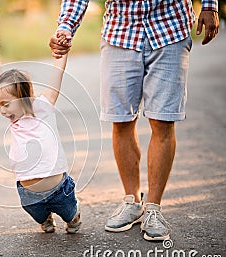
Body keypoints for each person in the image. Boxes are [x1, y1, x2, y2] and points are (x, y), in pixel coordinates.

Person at [49, 0, 219, 241]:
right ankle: (132, 201)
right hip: (121, 32)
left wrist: (210, 6)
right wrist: (66, 26)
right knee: (120, 120)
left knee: (163, 121)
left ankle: (154, 209)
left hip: (170, 28)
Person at [0, 51, 82, 234]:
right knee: (38, 215)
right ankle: (45, 217)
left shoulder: (43, 107)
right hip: (29, 194)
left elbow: (57, 76)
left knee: (69, 214)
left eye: (6, 104)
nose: (2, 111)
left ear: (23, 96)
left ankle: (73, 217)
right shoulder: (13, 119)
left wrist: (61, 56)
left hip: (59, 189)